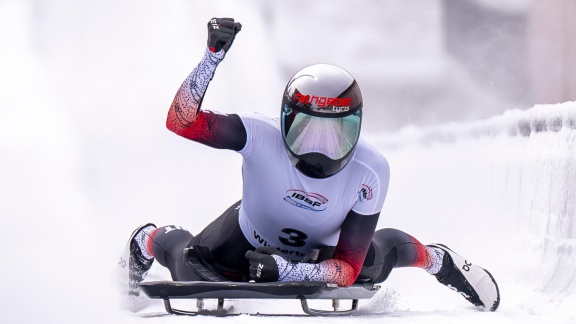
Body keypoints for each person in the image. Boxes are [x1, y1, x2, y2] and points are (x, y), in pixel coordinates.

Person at [124, 18, 500, 311]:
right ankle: (147, 239)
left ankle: (440, 261)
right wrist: (212, 57)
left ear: (357, 129)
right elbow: (181, 121)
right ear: (285, 121)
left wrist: (287, 271)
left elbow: (348, 270)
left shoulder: (371, 170)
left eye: (335, 134)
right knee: (190, 268)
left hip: (323, 252)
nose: (319, 150)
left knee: (376, 261)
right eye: (308, 131)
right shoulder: (259, 134)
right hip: (245, 236)